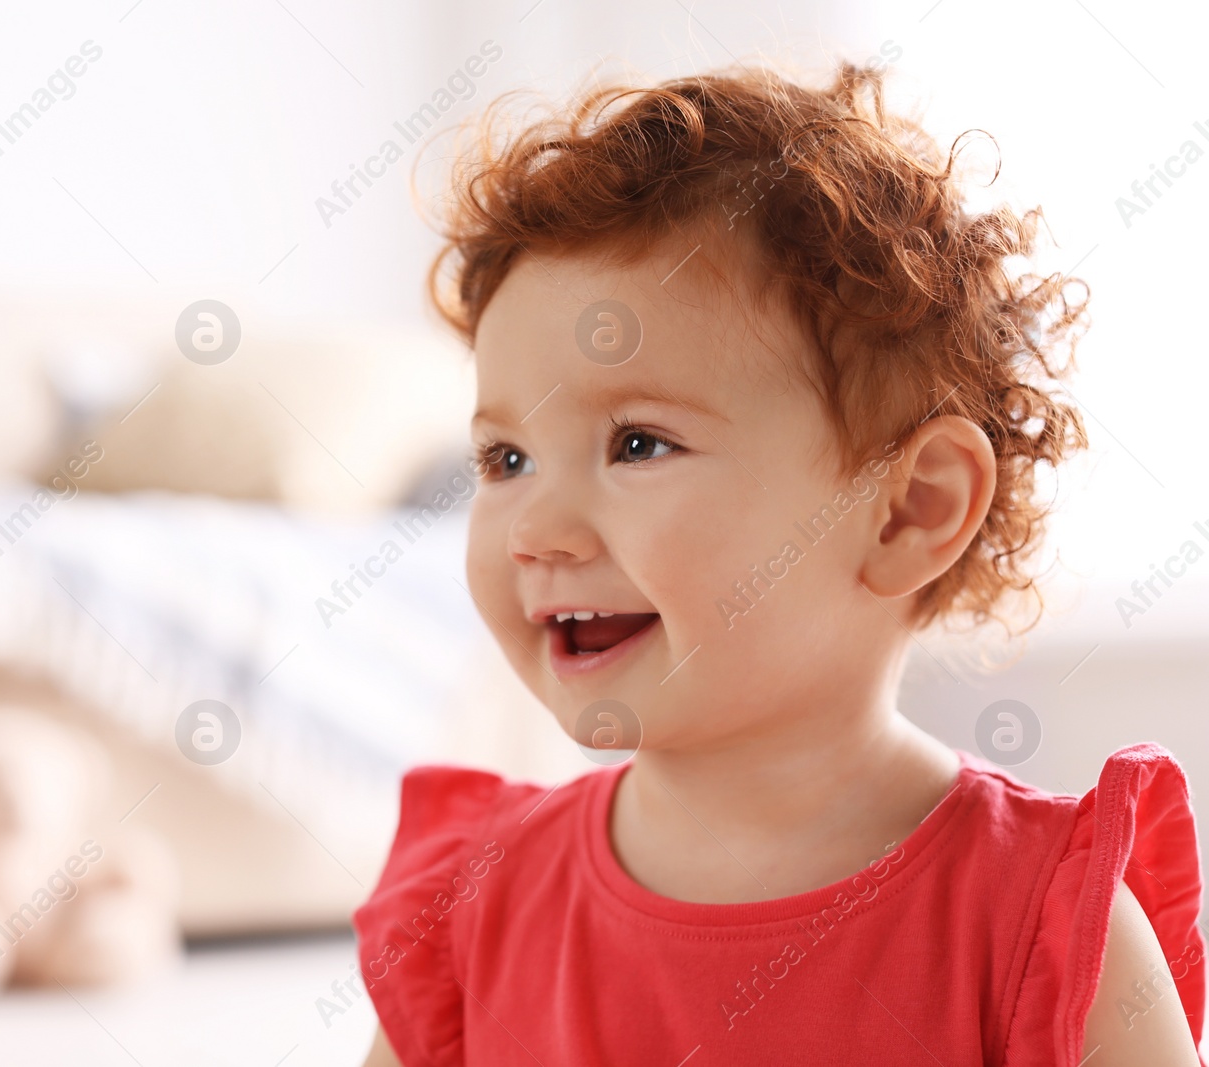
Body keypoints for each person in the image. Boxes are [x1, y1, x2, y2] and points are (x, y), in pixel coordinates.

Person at [354, 63, 1205, 1065]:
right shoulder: (473, 906)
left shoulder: (1045, 921)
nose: (532, 528)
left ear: (909, 510)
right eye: (505, 459)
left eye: (636, 443)